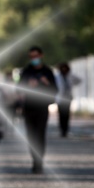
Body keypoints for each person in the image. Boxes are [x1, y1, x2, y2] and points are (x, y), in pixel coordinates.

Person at [18, 46, 57, 174]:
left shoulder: (47, 71)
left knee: (40, 134)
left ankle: (39, 162)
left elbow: (55, 90)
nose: (34, 59)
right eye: (31, 57)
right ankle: (34, 159)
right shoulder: (26, 71)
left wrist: (46, 83)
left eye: (36, 56)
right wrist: (27, 85)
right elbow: (18, 89)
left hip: (42, 107)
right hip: (28, 108)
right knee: (31, 136)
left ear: (41, 55)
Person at [54, 62, 81, 137]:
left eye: (65, 68)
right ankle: (62, 130)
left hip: (68, 97)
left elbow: (79, 80)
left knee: (66, 114)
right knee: (61, 114)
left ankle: (66, 130)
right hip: (60, 98)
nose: (64, 70)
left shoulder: (70, 76)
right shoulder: (57, 77)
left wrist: (72, 83)